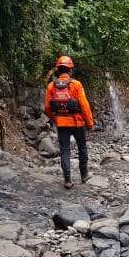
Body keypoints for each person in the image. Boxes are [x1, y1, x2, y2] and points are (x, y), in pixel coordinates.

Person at [43, 55, 94, 189]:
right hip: (77, 123)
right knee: (82, 148)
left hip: (62, 124)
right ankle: (84, 175)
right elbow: (84, 105)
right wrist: (90, 123)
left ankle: (67, 180)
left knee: (65, 150)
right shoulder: (76, 84)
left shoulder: (51, 86)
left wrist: (55, 119)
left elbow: (47, 108)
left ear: (58, 70)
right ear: (70, 70)